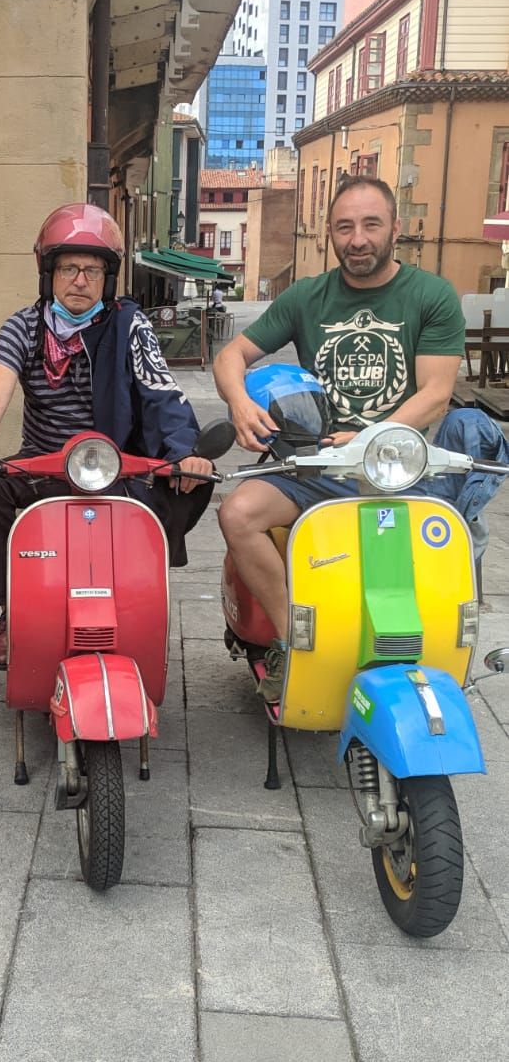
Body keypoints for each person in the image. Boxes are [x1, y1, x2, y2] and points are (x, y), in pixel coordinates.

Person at [213, 173, 506, 702]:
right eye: (344, 227)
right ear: (329, 233)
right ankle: (292, 639)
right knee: (237, 515)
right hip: (316, 466)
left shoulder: (430, 295)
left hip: (400, 464)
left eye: (372, 224)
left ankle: (438, 644)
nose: (358, 239)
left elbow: (436, 393)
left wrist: (371, 437)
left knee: (445, 541)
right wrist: (240, 403)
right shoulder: (306, 296)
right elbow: (231, 355)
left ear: (397, 228)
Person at [0, 202, 217, 668]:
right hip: (43, 461)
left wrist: (186, 452)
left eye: (92, 270)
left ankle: (140, 602)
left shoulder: (131, 325)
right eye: (68, 267)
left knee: (187, 485)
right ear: (47, 272)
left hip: (116, 464)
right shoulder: (22, 327)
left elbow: (162, 392)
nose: (79, 280)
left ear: (107, 279)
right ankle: (11, 608)